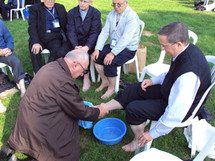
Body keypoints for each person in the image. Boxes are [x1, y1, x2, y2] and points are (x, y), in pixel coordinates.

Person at [100, 22, 211, 152]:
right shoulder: (185, 50)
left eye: (164, 46)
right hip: (170, 92)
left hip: (178, 107)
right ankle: (103, 108)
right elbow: (172, 73)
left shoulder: (188, 77)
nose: (162, 49)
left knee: (133, 109)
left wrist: (152, 134)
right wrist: (153, 80)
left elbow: (175, 113)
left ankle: (138, 141)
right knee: (137, 87)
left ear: (179, 44)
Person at [0, 49, 109, 161]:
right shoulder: (64, 82)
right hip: (38, 126)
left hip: (25, 120)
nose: (82, 74)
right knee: (66, 150)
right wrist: (98, 111)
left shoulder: (52, 65)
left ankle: (10, 148)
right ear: (75, 64)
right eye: (84, 71)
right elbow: (80, 111)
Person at [91, 0, 140, 99]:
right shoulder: (111, 14)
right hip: (114, 44)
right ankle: (105, 81)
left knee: (110, 62)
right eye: (114, 4)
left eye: (119, 4)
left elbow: (126, 39)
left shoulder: (132, 17)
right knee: (96, 57)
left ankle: (111, 88)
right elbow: (104, 32)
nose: (116, 7)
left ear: (126, 3)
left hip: (128, 48)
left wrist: (112, 53)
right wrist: (97, 48)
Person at [67, 0, 102, 92]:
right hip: (75, 42)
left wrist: (87, 46)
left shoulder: (95, 13)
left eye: (85, 1)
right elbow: (70, 31)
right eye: (80, 1)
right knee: (65, 52)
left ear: (91, 2)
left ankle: (86, 77)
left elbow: (95, 32)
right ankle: (71, 75)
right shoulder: (71, 12)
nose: (82, 3)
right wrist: (75, 45)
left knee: (86, 54)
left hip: (90, 42)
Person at [28, 0, 70, 74]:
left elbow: (68, 22)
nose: (50, 1)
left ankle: (48, 71)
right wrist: (36, 42)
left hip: (54, 37)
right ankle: (38, 74)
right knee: (34, 50)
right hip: (39, 37)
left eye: (52, 0)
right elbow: (32, 27)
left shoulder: (60, 8)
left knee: (57, 49)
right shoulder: (35, 9)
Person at [0, 20, 26, 97]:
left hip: (5, 52)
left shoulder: (0, 23)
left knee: (16, 62)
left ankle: (23, 90)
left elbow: (9, 38)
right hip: (1, 52)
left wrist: (9, 48)